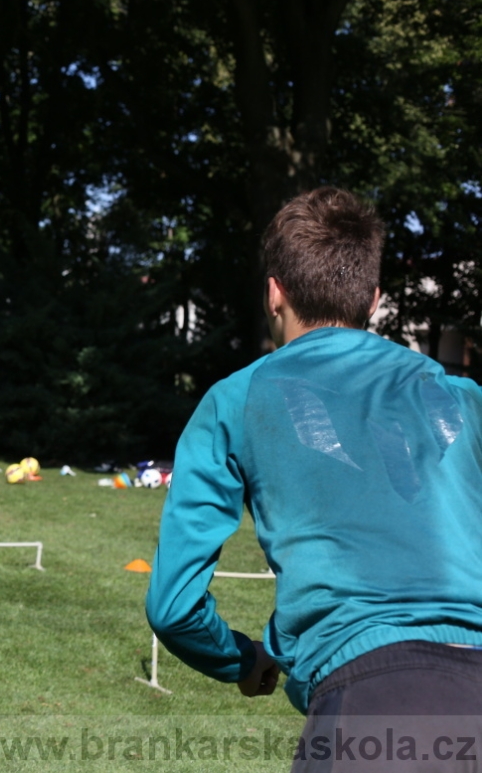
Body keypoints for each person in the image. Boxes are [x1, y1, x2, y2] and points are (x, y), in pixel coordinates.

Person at [145, 187, 482, 771]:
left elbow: (173, 606)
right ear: (374, 299)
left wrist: (241, 660)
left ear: (274, 292)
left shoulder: (235, 401)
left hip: (373, 706)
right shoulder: (463, 396)